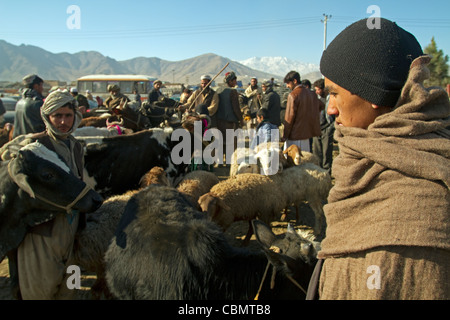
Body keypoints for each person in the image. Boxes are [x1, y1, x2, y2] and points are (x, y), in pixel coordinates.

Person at [309, 18, 449, 300]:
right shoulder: (367, 160)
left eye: (335, 93)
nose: (331, 109)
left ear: (373, 93)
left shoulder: (417, 207)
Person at [11, 90, 90, 299]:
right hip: (42, 232)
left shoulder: (76, 147)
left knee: (70, 287)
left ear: (75, 117)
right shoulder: (34, 146)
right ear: (47, 117)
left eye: (68, 115)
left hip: (71, 230)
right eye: (57, 116)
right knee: (41, 291)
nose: (63, 122)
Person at [282, 71, 323, 153]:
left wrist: (285, 135)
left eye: (288, 83)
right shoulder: (312, 94)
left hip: (295, 135)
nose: (287, 86)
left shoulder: (293, 95)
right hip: (307, 135)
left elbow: (289, 118)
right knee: (305, 160)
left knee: (294, 162)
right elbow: (322, 106)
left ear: (295, 81)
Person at [216, 71, 243, 160]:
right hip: (230, 123)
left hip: (219, 122)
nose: (236, 82)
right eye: (235, 80)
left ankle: (220, 162)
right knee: (230, 143)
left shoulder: (218, 90)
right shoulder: (232, 92)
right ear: (230, 81)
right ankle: (228, 162)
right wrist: (241, 120)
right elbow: (236, 108)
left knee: (221, 142)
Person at [312, 78, 334, 175]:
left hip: (327, 128)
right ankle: (319, 173)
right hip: (317, 127)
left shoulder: (331, 98)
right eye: (316, 90)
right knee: (317, 152)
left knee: (326, 153)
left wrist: (331, 126)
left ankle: (327, 174)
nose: (317, 92)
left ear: (324, 89)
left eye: (318, 89)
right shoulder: (316, 99)